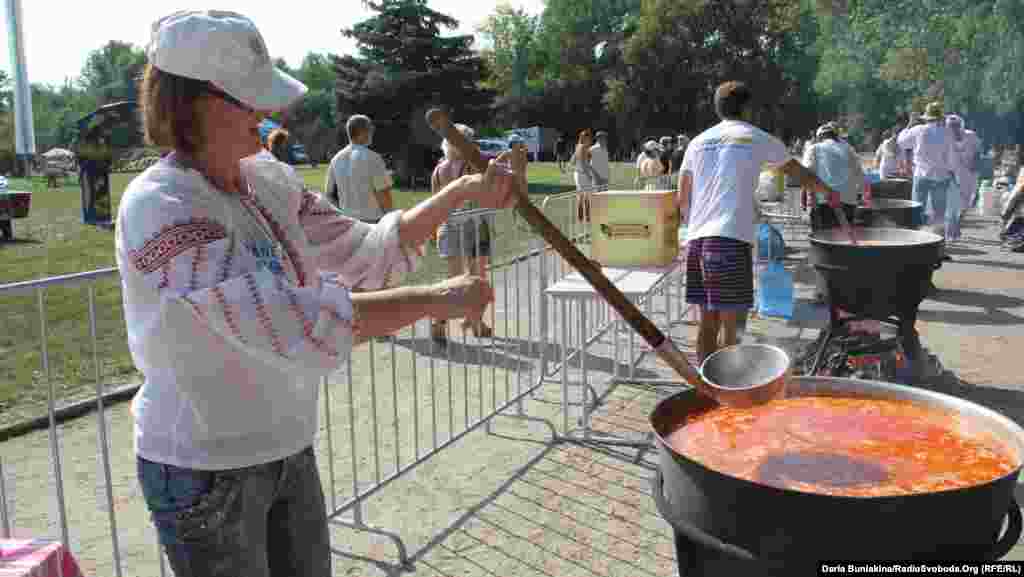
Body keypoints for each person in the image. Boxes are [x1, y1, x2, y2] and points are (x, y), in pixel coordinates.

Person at [117, 10, 526, 577]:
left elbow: (365, 250)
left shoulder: (268, 179)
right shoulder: (161, 208)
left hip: (287, 445)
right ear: (194, 103)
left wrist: (461, 191)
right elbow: (288, 322)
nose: (268, 114)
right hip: (205, 468)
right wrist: (437, 300)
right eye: (249, 100)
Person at [677, 81, 792, 364]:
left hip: (697, 240)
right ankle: (729, 387)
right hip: (729, 240)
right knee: (732, 327)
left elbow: (682, 195)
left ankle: (706, 386)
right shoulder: (754, 136)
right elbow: (798, 171)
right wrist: (829, 192)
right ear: (747, 108)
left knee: (707, 322)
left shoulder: (697, 141)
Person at [431, 123, 494, 345]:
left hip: (447, 224)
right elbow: (485, 191)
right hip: (473, 223)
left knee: (453, 279)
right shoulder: (470, 166)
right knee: (476, 277)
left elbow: (434, 202)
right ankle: (475, 321)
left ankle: (440, 320)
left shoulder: (438, 169)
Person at [802, 122, 863, 301]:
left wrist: (810, 200)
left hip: (824, 203)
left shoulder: (814, 148)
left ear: (820, 136)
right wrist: (854, 196)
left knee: (823, 247)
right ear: (836, 136)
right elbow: (860, 176)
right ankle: (845, 289)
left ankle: (823, 291)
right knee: (844, 244)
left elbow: (807, 175)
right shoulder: (848, 149)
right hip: (848, 202)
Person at [898, 102, 958, 237]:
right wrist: (951, 172)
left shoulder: (919, 129)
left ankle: (915, 241)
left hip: (922, 174)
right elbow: (952, 157)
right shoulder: (948, 132)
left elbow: (902, 142)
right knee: (939, 214)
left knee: (916, 209)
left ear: (927, 117)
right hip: (941, 176)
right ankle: (938, 245)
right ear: (940, 117)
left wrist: (910, 124)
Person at [325, 114, 393, 223]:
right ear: (362, 132)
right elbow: (383, 193)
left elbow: (329, 195)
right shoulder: (373, 158)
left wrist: (342, 215)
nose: (372, 133)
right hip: (373, 221)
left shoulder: (336, 159)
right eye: (370, 130)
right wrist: (390, 219)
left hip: (347, 222)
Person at [947, 114, 982, 219]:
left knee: (967, 196)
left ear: (960, 125)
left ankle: (960, 215)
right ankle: (954, 217)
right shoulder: (946, 138)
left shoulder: (971, 135)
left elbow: (977, 152)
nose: (953, 128)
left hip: (969, 170)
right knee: (953, 195)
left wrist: (974, 164)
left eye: (956, 125)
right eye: (951, 125)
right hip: (952, 170)